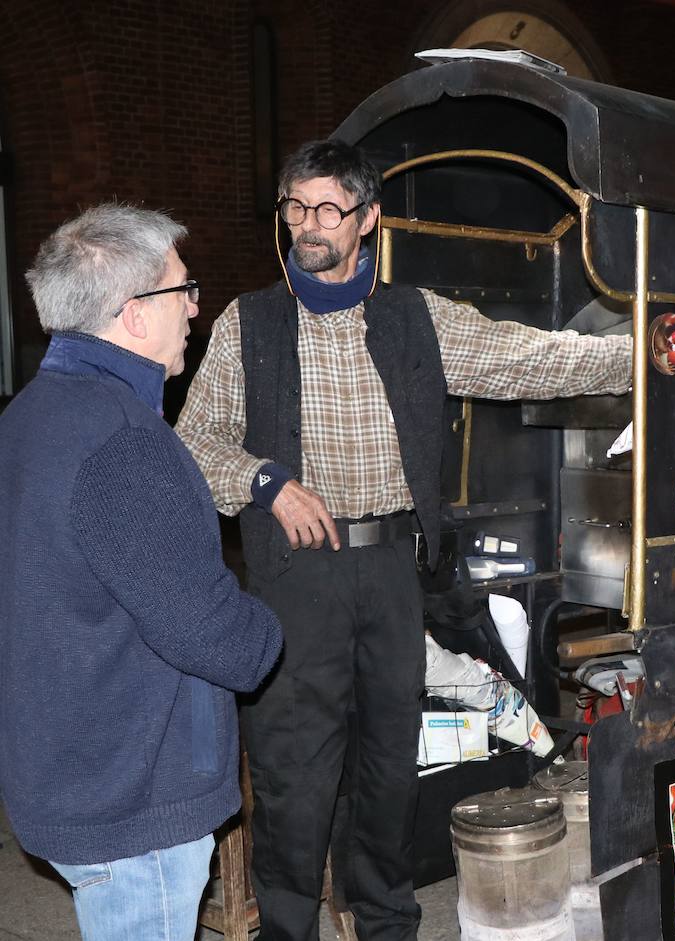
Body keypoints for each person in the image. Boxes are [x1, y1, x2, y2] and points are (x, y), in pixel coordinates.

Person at [176, 140, 635, 941]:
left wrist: (644, 358)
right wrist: (266, 480)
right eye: (295, 206)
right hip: (295, 577)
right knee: (294, 775)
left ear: (368, 219)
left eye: (328, 209)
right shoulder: (247, 324)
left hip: (392, 571)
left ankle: (388, 923)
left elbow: (529, 358)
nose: (308, 224)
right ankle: (288, 928)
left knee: (390, 767)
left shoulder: (416, 317)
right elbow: (193, 443)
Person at [0, 205, 283, 941]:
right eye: (183, 290)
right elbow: (209, 631)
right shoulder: (123, 441)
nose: (194, 308)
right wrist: (271, 627)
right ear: (132, 314)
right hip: (131, 796)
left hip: (66, 767)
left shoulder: (27, 416)